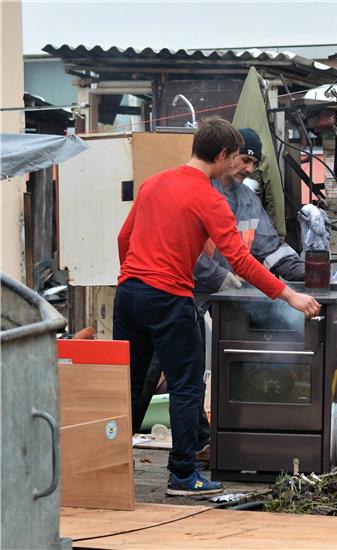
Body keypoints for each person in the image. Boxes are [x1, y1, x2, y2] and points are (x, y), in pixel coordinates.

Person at [114, 117, 320, 496]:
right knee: (186, 386)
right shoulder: (210, 197)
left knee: (124, 385)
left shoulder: (153, 183)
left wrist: (131, 277)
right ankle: (182, 476)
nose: (237, 167)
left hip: (128, 295)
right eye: (236, 158)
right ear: (222, 154)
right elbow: (240, 261)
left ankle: (106, 467)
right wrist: (290, 296)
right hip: (170, 299)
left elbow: (124, 237)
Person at [193, 127, 305, 315]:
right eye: (245, 160)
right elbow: (184, 250)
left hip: (229, 291)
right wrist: (218, 276)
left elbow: (271, 249)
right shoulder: (202, 192)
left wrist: (307, 271)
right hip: (190, 290)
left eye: (254, 163)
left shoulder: (249, 201)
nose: (250, 169)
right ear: (227, 155)